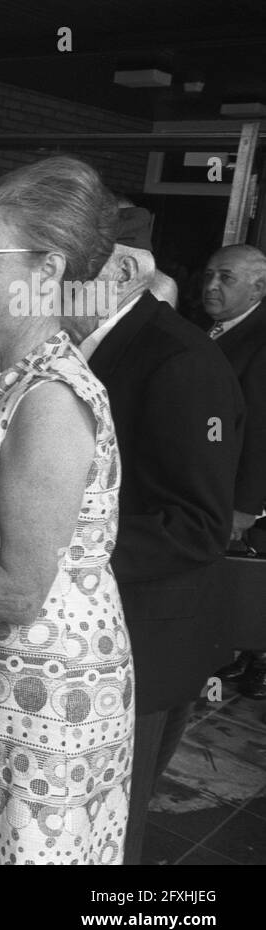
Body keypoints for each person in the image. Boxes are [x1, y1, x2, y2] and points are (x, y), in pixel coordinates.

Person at [0, 157, 134, 865]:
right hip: (6, 674)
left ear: (48, 268)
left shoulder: (49, 398)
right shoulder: (16, 379)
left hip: (51, 695)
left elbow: (20, 589)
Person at [60, 206, 241, 862]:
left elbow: (196, 526)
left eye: (59, 268)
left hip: (142, 644)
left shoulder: (181, 360)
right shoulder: (74, 344)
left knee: (110, 830)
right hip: (81, 635)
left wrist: (54, 549)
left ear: (125, 269)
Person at [203, 244, 266, 699]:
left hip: (243, 492)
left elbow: (261, 429)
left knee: (254, 570)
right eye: (208, 275)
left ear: (258, 288)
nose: (210, 286)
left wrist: (245, 506)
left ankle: (258, 661)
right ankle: (238, 652)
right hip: (213, 481)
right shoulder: (216, 329)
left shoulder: (261, 338)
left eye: (226, 278)